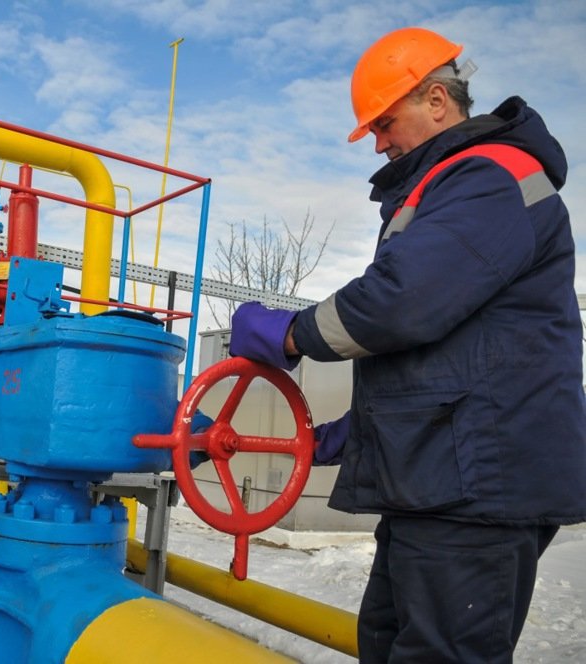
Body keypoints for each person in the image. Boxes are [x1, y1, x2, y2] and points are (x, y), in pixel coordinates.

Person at [229, 27, 585, 663]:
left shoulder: (490, 176)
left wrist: (291, 334)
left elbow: (404, 301)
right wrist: (358, 432)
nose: (378, 140)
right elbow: (447, 355)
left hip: (479, 489)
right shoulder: (449, 185)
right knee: (389, 645)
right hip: (447, 483)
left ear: (438, 102)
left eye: (385, 121)